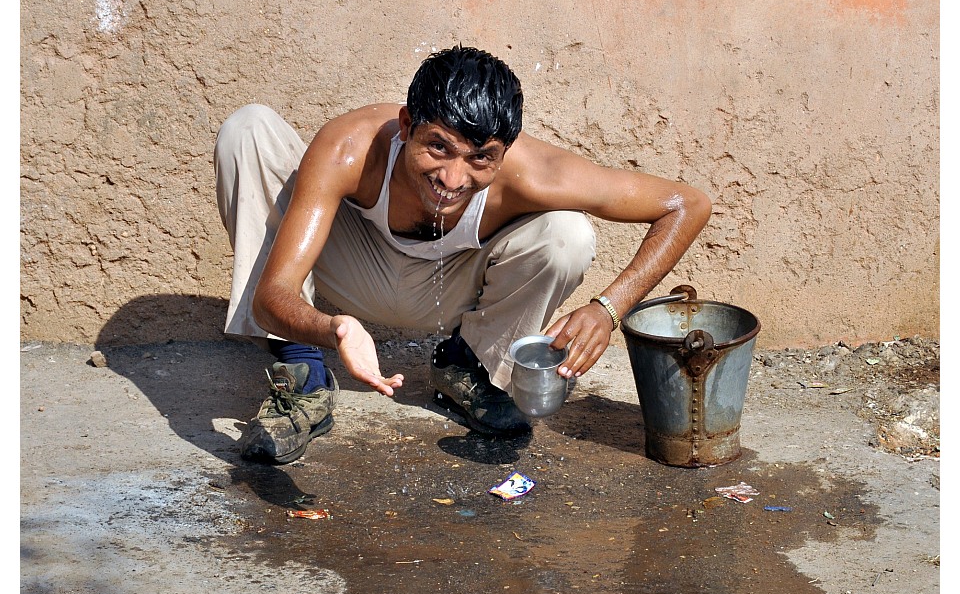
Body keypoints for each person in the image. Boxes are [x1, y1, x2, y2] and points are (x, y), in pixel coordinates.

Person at [214, 45, 711, 464]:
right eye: (438, 147)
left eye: (480, 159)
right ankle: (301, 376)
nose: (453, 179)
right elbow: (271, 295)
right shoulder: (351, 147)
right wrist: (331, 328)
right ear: (407, 124)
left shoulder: (534, 172)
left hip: (452, 291)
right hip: (345, 279)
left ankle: (466, 367)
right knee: (248, 130)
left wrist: (609, 308)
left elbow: (688, 205)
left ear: (504, 150)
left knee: (568, 234)